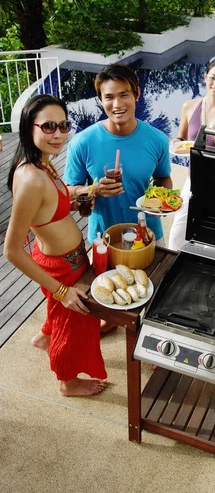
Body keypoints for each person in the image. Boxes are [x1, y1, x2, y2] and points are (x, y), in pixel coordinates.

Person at [4, 94, 107, 397]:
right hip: (63, 269)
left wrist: (80, 199)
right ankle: (68, 382)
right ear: (28, 126)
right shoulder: (32, 179)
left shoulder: (40, 163)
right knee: (73, 328)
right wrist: (61, 291)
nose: (59, 134)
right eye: (49, 126)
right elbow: (11, 250)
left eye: (63, 125)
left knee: (60, 317)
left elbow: (48, 209)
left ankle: (44, 337)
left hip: (61, 258)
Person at [63, 63, 172, 246]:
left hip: (148, 234)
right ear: (100, 100)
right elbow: (67, 191)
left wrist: (163, 198)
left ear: (136, 94)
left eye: (124, 95)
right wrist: (93, 190)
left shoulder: (157, 139)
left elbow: (163, 178)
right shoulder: (82, 142)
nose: (117, 105)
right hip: (103, 238)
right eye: (109, 97)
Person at [168, 58, 215, 250]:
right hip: (192, 179)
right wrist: (175, 143)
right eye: (212, 77)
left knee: (212, 239)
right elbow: (180, 139)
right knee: (177, 233)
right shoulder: (188, 107)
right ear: (205, 78)